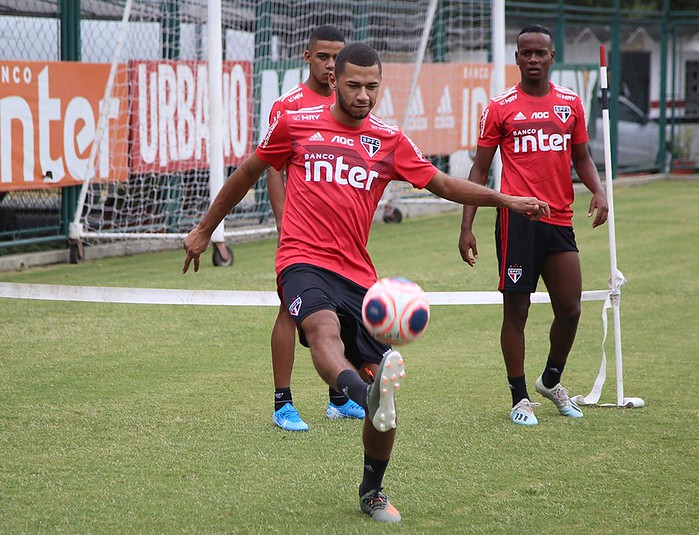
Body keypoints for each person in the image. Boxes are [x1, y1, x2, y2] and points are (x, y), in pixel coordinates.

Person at [183, 42, 550, 523]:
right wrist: (205, 228)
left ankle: (372, 488)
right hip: (301, 261)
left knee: (388, 403)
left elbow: (442, 184)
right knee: (322, 333)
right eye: (353, 85)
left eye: (372, 87)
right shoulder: (296, 123)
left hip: (358, 277)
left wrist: (506, 200)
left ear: (381, 86)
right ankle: (360, 395)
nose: (362, 95)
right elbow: (249, 172)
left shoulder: (389, 139)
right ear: (334, 81)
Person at [458, 25, 609, 426]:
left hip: (559, 219)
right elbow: (479, 169)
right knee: (517, 311)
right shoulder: (500, 107)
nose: (533, 59)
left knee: (571, 308)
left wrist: (599, 190)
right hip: (517, 220)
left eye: (540, 53)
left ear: (552, 56)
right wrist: (466, 226)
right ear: (517, 58)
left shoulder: (570, 104)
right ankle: (519, 397)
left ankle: (550, 380)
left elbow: (583, 157)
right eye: (526, 53)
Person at [265, 26, 364, 432]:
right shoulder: (288, 108)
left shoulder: (357, 107)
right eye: (322, 57)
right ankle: (282, 403)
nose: (329, 65)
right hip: (301, 240)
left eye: (335, 58)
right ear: (308, 57)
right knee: (291, 314)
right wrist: (284, 224)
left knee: (342, 315)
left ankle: (339, 399)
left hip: (343, 242)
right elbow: (272, 169)